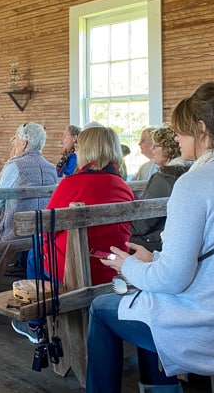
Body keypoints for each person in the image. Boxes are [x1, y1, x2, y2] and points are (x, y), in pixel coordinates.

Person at [85, 81, 214, 393]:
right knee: (145, 299)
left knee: (102, 308)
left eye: (180, 130)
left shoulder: (196, 182)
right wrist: (153, 261)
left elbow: (172, 281)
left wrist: (127, 267)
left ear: (202, 129)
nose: (176, 138)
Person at [11, 125, 133, 343]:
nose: (75, 151)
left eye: (79, 146)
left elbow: (46, 226)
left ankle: (35, 324)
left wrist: (47, 245)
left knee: (35, 252)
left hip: (77, 269)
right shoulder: (123, 185)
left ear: (88, 150)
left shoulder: (72, 183)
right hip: (114, 266)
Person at [0, 122, 57, 244]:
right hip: (41, 230)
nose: (14, 141)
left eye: (16, 137)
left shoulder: (15, 166)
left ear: (24, 143)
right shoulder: (51, 168)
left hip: (13, 232)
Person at [130, 124, 192, 252]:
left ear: (169, 148)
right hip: (179, 239)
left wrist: (125, 228)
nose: (152, 149)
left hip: (158, 243)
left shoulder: (164, 177)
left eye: (156, 145)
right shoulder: (191, 172)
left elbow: (145, 221)